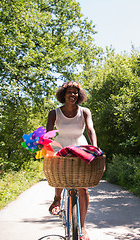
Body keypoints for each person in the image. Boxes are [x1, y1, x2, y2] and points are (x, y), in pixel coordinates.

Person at [46, 81, 97, 240]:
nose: (73, 95)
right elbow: (48, 134)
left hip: (80, 146)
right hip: (60, 146)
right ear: (63, 94)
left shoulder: (85, 111)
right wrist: (47, 150)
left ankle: (82, 227)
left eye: (76, 92)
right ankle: (56, 199)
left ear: (79, 95)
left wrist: (95, 148)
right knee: (60, 174)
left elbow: (90, 129)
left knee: (83, 187)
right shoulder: (54, 113)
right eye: (70, 92)